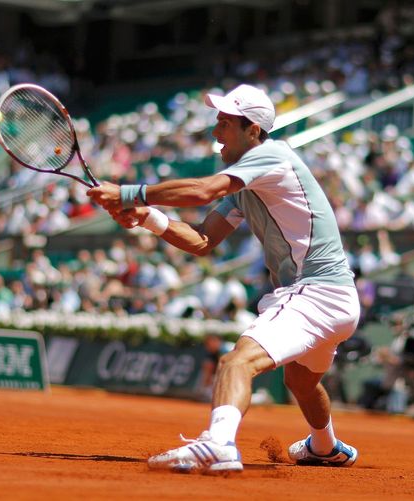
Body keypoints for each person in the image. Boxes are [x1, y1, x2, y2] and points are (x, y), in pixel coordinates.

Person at [88, 84, 360, 473]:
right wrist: (147, 217)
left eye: (225, 123)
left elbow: (201, 191)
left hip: (315, 291)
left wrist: (132, 193)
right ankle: (324, 446)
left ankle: (218, 444)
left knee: (236, 362)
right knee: (300, 382)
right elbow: (203, 239)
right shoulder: (245, 184)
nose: (216, 132)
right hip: (339, 301)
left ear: (253, 131)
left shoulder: (271, 156)